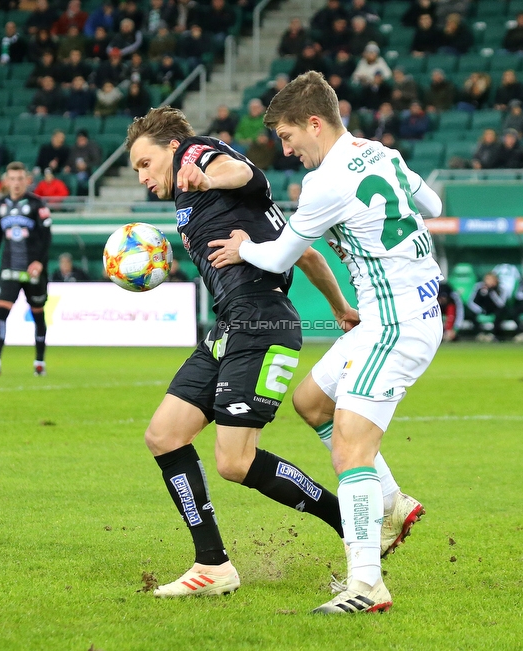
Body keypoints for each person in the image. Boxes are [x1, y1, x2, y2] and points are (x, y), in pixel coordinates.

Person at [207, 71, 443, 614]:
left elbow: (277, 258)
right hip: (402, 309)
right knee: (311, 400)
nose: (287, 151)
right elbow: (428, 205)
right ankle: (392, 504)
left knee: (349, 448)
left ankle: (367, 584)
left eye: (289, 138)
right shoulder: (380, 152)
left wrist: (243, 246)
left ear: (315, 123)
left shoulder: (325, 182)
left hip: (397, 321)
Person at [124, 105, 361, 601]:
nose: (143, 178)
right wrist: (340, 307)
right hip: (232, 325)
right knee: (164, 435)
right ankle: (212, 566)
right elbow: (309, 253)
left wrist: (205, 175)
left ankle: (351, 522)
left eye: (144, 164)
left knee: (235, 461)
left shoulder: (199, 158)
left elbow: (244, 171)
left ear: (171, 148)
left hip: (261, 326)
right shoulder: (219, 204)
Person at [0, 162, 52, 377]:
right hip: (9, 267)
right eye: (12, 178)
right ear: (6, 181)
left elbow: (47, 237)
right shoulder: (0, 205)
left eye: (20, 178)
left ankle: (39, 361)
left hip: (33, 270)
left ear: (27, 180)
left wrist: (39, 261)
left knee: (38, 314)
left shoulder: (37, 204)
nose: (16, 183)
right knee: (1, 312)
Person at [466, 271, 508, 341]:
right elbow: (470, 302)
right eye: (486, 279)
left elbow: (501, 304)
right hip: (482, 309)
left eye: (490, 279)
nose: (487, 281)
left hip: (495, 309)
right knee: (471, 313)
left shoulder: (501, 289)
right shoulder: (479, 286)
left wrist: (491, 292)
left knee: (501, 313)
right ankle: (479, 334)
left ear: (495, 280)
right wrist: (480, 310)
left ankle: (496, 335)